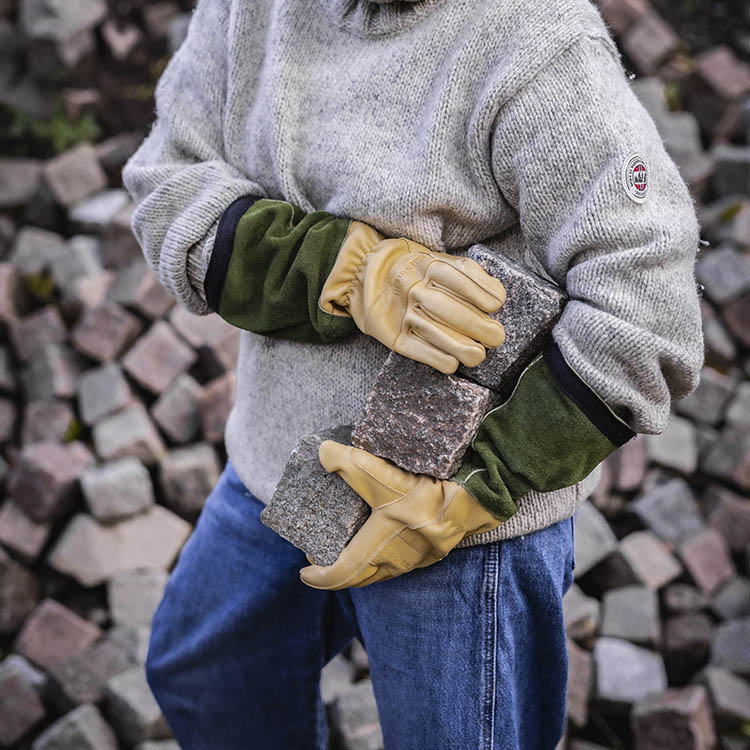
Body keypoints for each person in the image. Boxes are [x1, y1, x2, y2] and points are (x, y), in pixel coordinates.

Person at [122, 0, 704, 746]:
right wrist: (344, 270)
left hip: (465, 535)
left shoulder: (540, 43)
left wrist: (475, 490)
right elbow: (167, 181)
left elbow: (649, 307)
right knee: (205, 677)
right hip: (277, 463)